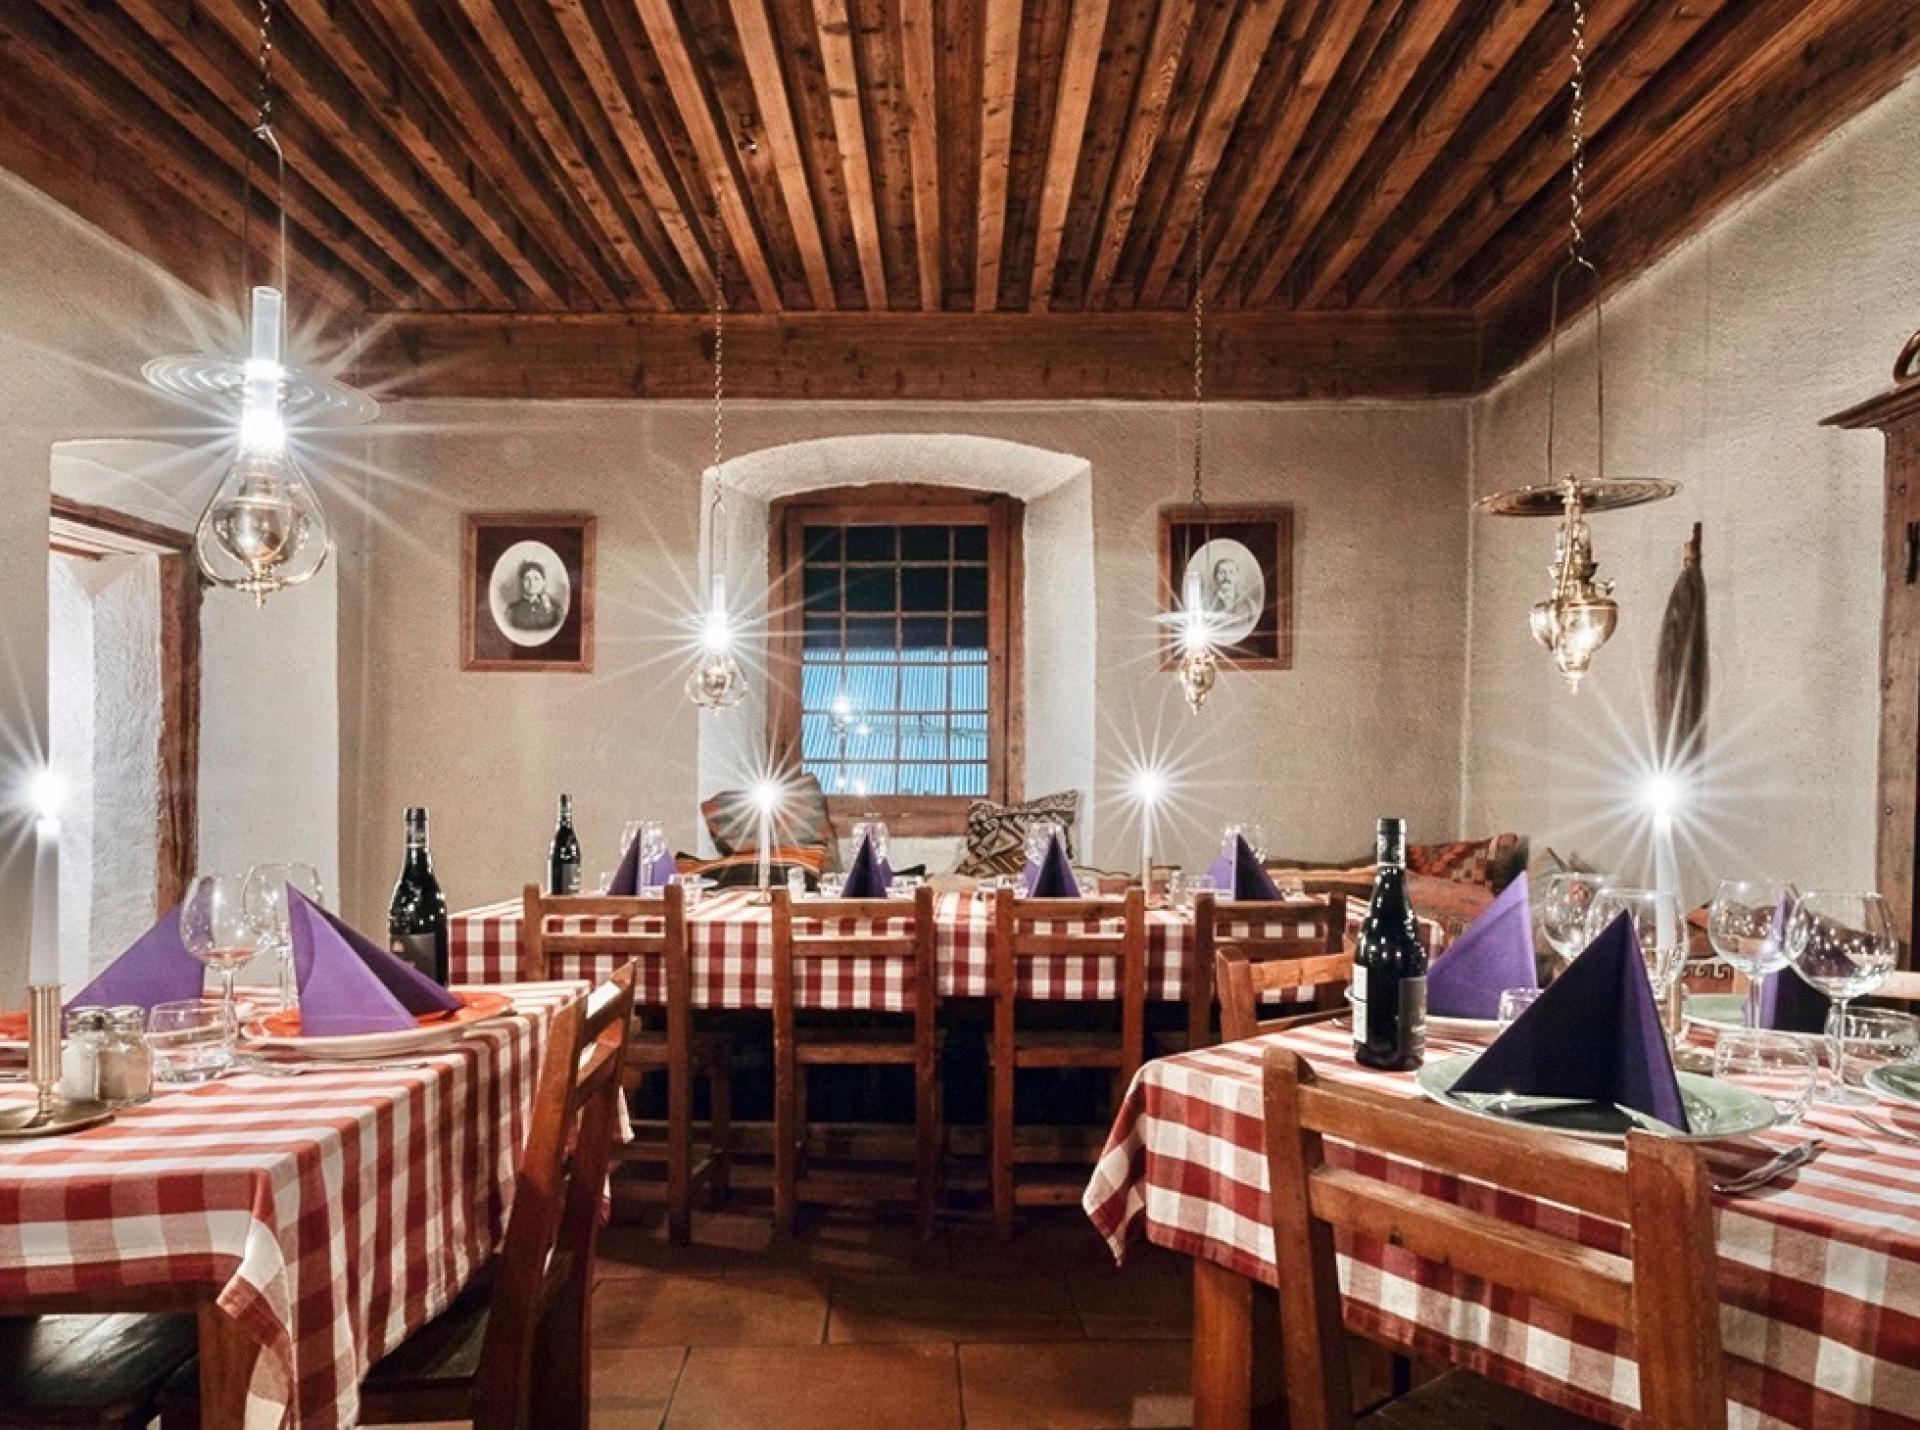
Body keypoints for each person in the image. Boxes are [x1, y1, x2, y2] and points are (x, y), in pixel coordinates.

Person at [504, 559, 562, 631]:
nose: (532, 583)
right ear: (521, 582)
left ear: (543, 582)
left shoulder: (556, 609)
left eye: (536, 578)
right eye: (527, 579)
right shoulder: (511, 611)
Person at [1205, 555, 1258, 634]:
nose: (1227, 577)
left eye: (1231, 572)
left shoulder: (1249, 604)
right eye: (1221, 572)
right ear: (1215, 576)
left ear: (1237, 577)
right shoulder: (1205, 604)